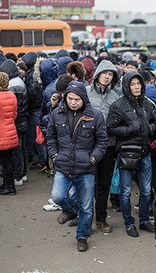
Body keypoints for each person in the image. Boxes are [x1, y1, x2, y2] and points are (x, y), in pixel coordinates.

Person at [47, 81, 107, 252]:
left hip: (86, 167)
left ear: (84, 99)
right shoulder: (56, 114)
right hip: (63, 165)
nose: (73, 102)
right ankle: (72, 210)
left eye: (77, 99)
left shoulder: (95, 115)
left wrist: (93, 158)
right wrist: (55, 155)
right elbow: (50, 137)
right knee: (58, 197)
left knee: (87, 206)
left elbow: (102, 141)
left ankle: (82, 236)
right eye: (70, 98)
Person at [107, 72, 156, 237]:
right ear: (127, 86)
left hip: (145, 151)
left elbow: (154, 121)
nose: (137, 87)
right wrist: (129, 130)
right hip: (127, 152)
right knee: (126, 191)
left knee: (146, 190)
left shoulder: (147, 104)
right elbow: (111, 128)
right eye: (133, 84)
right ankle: (129, 223)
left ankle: (143, 221)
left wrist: (149, 128)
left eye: (139, 84)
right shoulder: (118, 105)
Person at [86, 59, 122, 233]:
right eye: (105, 73)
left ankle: (100, 219)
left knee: (103, 183)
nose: (107, 77)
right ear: (98, 73)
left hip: (108, 145)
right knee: (85, 183)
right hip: (87, 145)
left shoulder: (117, 94)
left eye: (111, 74)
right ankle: (83, 217)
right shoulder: (86, 92)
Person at [0, 59, 28, 186]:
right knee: (22, 148)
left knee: (16, 150)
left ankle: (18, 176)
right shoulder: (19, 80)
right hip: (23, 119)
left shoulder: (12, 85)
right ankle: (23, 173)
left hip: (16, 120)